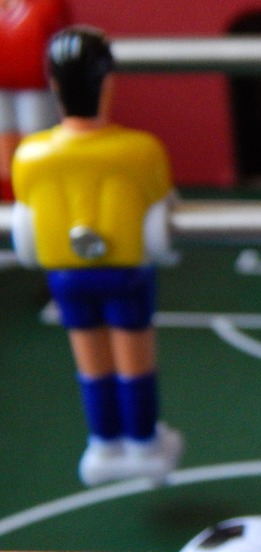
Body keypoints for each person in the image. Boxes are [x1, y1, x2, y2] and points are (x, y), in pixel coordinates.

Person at [11, 26, 182, 486]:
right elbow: (163, 205)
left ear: (54, 87)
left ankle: (105, 444)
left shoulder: (29, 155)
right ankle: (143, 443)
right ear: (107, 83)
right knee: (135, 366)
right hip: (126, 276)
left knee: (92, 368)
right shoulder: (140, 151)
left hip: (67, 278)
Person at [0, 0, 68, 200]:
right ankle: (9, 204)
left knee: (34, 149)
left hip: (36, 87)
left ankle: (32, 202)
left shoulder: (45, 5)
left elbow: (59, 40)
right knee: (5, 152)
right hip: (3, 89)